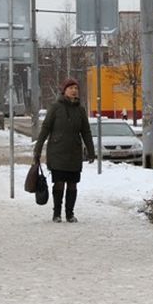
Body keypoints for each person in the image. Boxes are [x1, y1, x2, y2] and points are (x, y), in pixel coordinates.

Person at [33, 78, 96, 223]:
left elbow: (86, 132)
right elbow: (45, 129)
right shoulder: (55, 107)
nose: (74, 90)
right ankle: (56, 214)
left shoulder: (80, 109)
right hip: (57, 152)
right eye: (71, 88)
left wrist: (91, 151)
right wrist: (37, 149)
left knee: (73, 184)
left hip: (74, 153)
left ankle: (70, 214)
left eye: (76, 88)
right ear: (64, 90)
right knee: (59, 183)